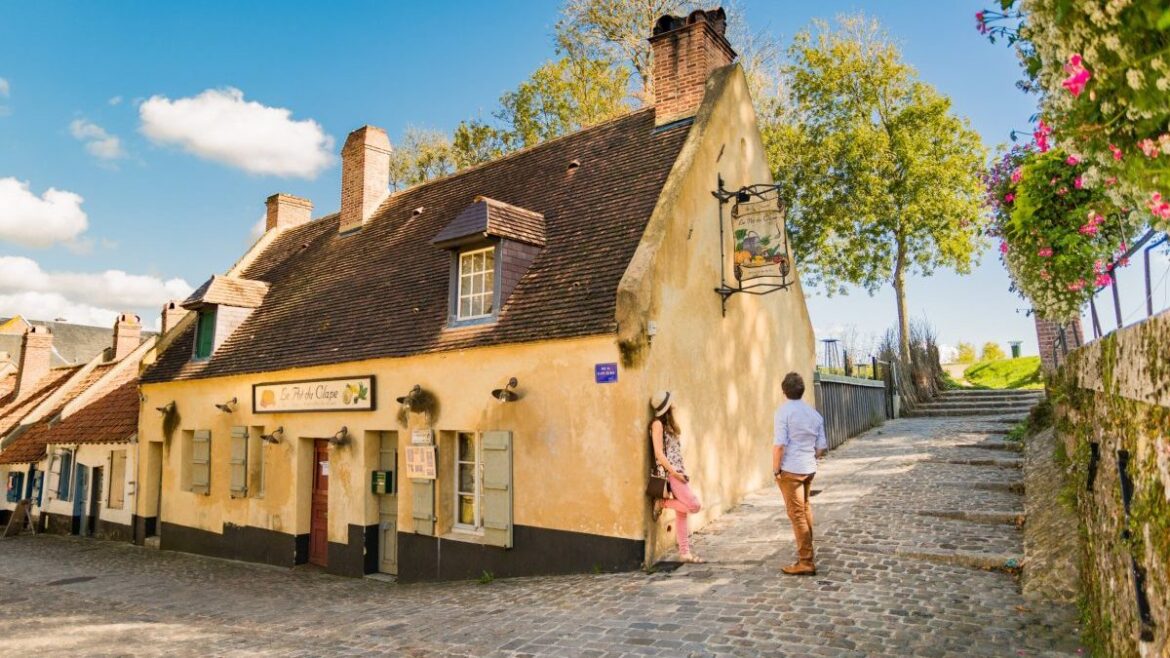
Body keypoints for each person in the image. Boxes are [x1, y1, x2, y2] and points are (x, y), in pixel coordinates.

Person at [773, 372, 827, 575]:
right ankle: (808, 553)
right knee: (804, 510)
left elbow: (779, 444)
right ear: (802, 390)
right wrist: (808, 455)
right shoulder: (814, 414)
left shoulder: (783, 412)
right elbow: (821, 447)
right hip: (808, 467)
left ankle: (806, 561)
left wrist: (776, 469)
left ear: (784, 391)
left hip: (791, 469)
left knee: (796, 515)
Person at [649, 390, 704, 564]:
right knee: (694, 506)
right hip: (671, 474)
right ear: (666, 407)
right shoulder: (657, 424)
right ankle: (662, 503)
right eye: (670, 403)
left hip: (679, 472)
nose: (673, 405)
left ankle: (684, 552)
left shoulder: (669, 425)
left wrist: (681, 472)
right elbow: (658, 453)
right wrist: (674, 473)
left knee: (682, 514)